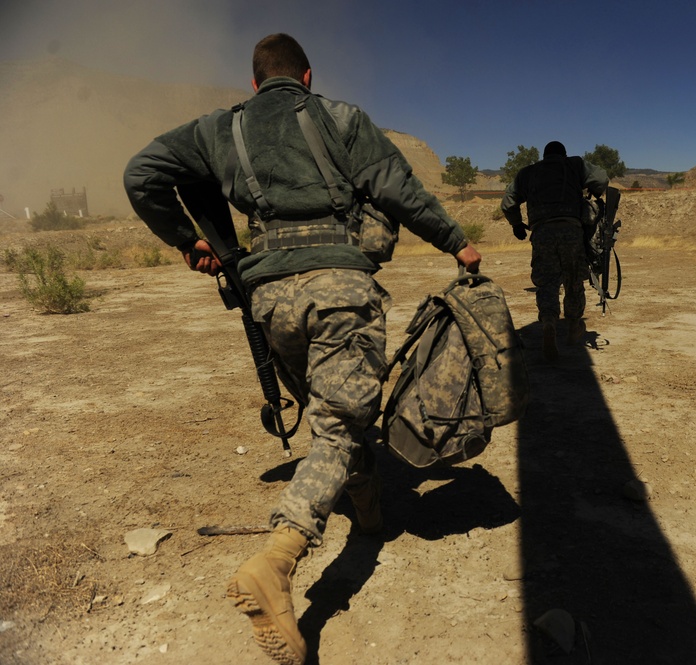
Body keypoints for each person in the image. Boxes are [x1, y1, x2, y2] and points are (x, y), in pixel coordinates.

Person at [123, 33, 481, 665]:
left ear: (256, 82)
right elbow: (397, 189)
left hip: (267, 301)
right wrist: (457, 242)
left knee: (332, 415)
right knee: (342, 423)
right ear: (307, 76)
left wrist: (188, 240)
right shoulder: (339, 118)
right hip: (338, 286)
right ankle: (279, 558)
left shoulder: (218, 130)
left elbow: (142, 173)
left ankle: (369, 515)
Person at [500, 141, 609, 360]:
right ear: (564, 154)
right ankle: (573, 326)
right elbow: (601, 180)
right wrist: (589, 188)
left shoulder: (528, 173)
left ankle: (549, 322)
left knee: (547, 282)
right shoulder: (574, 165)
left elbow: (508, 201)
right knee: (573, 280)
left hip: (542, 233)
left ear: (544, 155)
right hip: (572, 230)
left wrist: (516, 224)